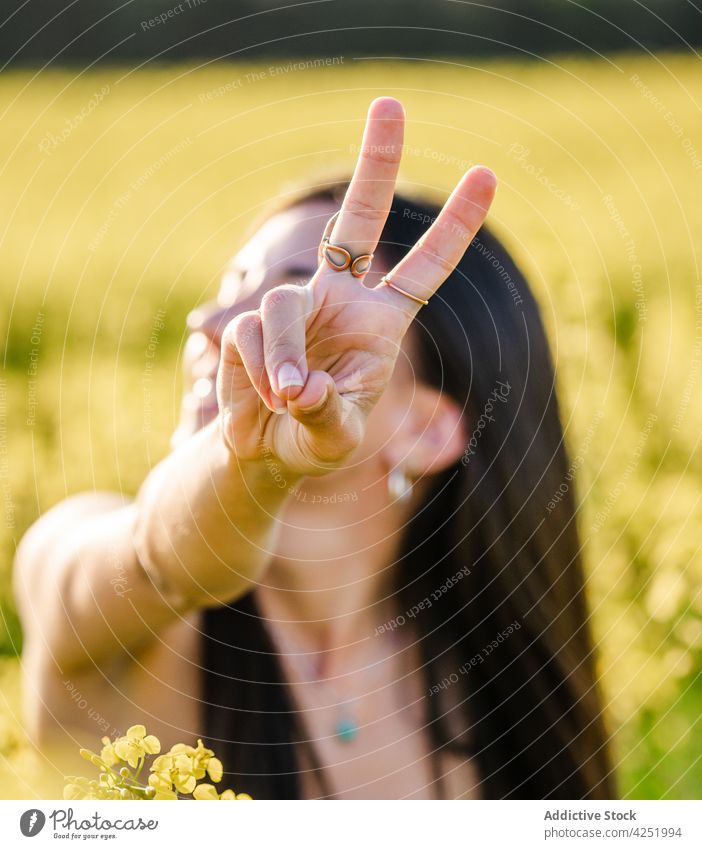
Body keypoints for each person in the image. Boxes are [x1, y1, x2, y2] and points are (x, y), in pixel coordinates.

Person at [15, 97, 615, 799]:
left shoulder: (495, 684)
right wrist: (252, 460)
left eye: (292, 304)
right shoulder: (115, 614)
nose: (210, 323)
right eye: (232, 289)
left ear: (427, 429)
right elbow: (162, 563)